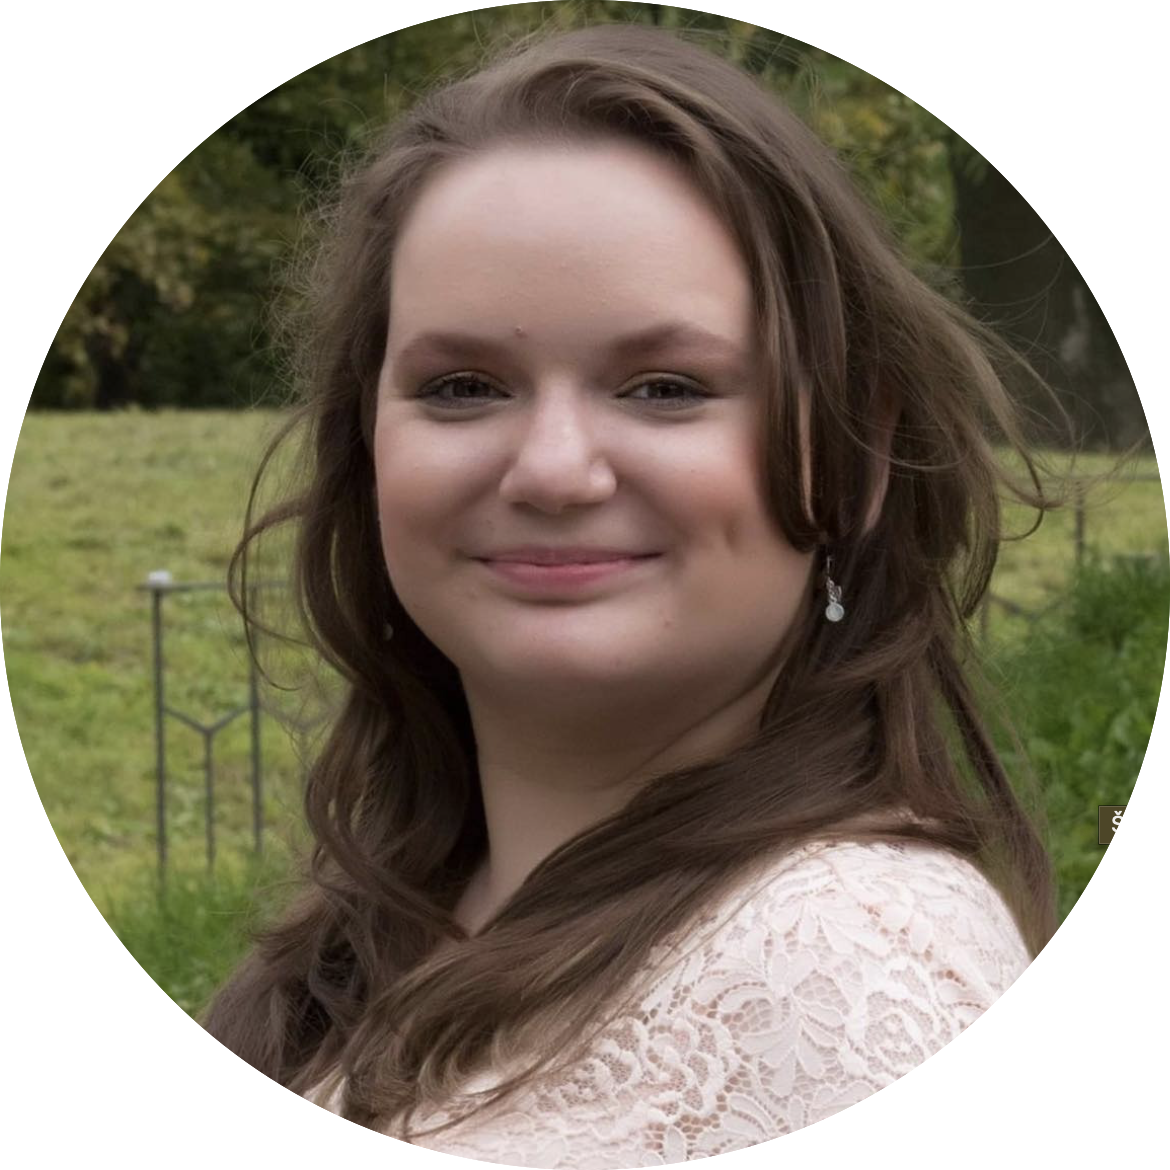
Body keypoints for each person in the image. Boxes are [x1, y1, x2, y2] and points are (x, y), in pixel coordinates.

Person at [201, 20, 1063, 1161]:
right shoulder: (355, 952)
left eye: (665, 387)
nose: (553, 470)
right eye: (463, 387)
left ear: (854, 457)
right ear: (366, 449)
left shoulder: (851, 971)